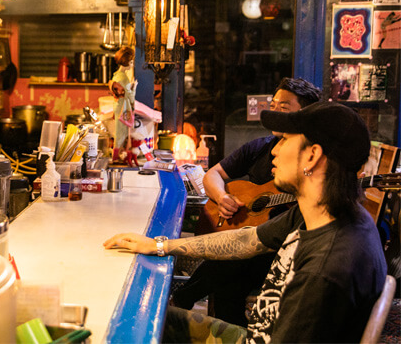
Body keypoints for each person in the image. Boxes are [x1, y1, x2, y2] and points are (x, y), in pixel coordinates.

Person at [104, 102, 387, 343]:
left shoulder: (325, 270)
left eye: (285, 139)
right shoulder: (326, 211)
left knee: (130, 328)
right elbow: (247, 239)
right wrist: (160, 245)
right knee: (146, 317)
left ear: (312, 156)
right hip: (255, 334)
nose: (274, 151)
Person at [173, 77, 322, 326]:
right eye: (273, 105)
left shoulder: (313, 161)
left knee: (234, 261)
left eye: (283, 108)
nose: (276, 153)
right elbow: (213, 175)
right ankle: (225, 329)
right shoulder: (261, 147)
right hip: (253, 242)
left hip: (280, 252)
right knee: (231, 277)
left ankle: (184, 302)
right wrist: (222, 197)